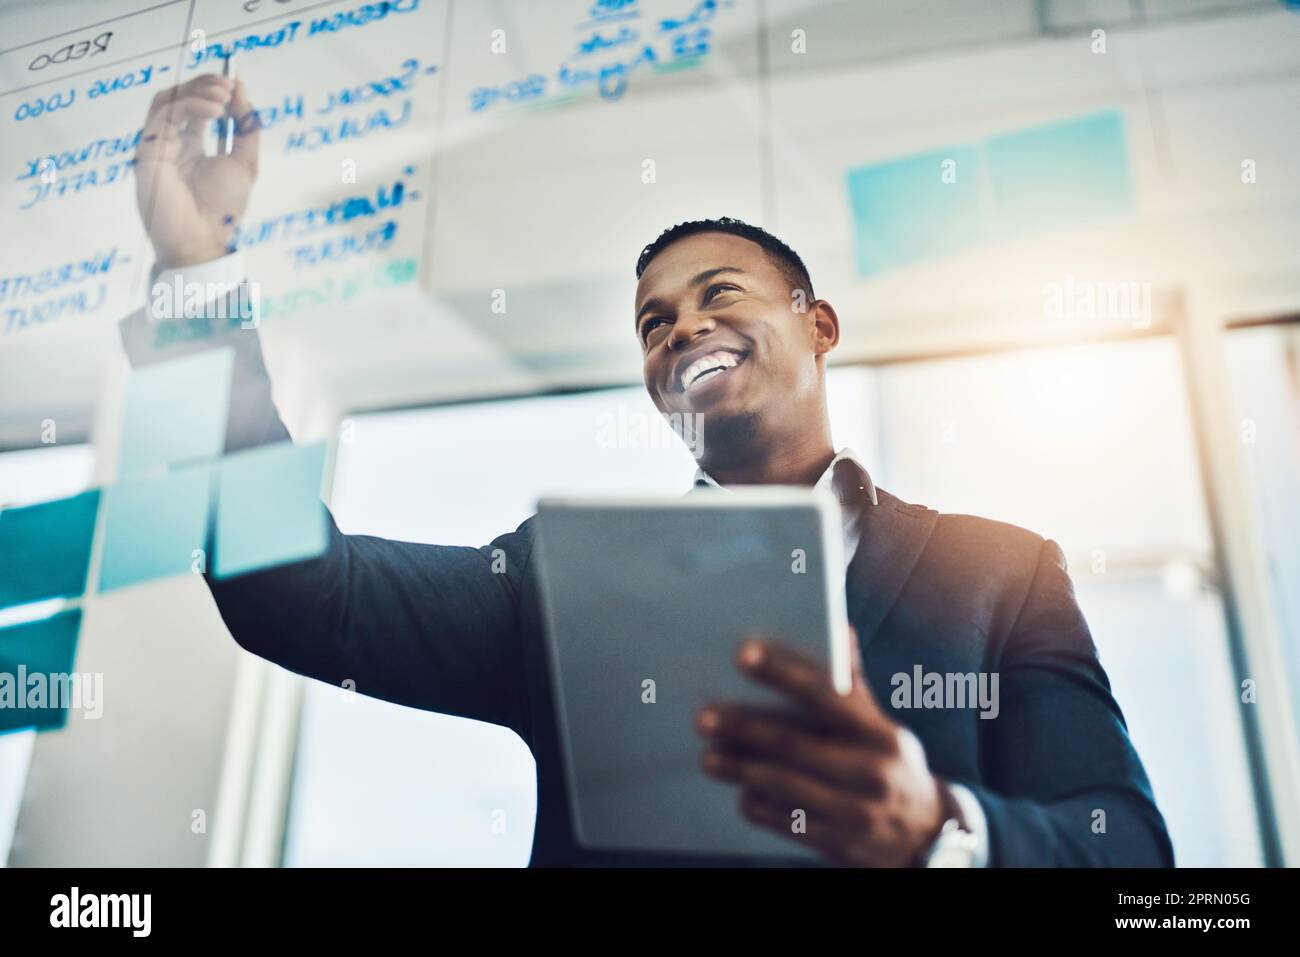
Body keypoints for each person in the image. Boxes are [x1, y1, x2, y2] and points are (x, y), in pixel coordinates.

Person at [122, 75, 1173, 867]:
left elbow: (1125, 849)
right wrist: (193, 279)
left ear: (818, 328)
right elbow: (295, 591)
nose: (685, 329)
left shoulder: (999, 572)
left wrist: (934, 827)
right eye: (653, 323)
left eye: (722, 294)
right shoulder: (567, 582)